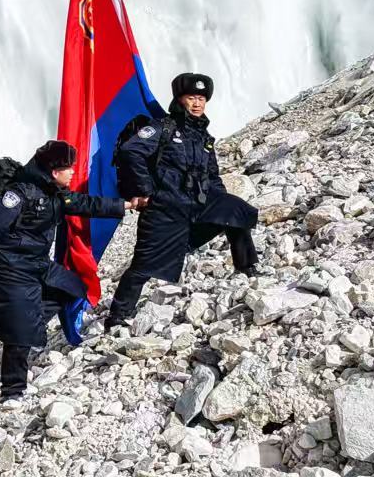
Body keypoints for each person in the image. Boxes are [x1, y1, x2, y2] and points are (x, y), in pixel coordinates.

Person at [0, 140, 142, 401]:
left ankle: (32, 324)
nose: (73, 173)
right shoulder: (18, 194)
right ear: (54, 171)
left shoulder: (53, 192)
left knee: (73, 287)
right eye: (68, 169)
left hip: (36, 263)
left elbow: (85, 204)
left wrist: (126, 205)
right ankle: (12, 393)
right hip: (9, 270)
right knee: (18, 332)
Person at [104, 72, 262, 331]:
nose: (198, 103)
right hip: (164, 208)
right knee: (143, 266)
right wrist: (147, 190)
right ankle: (117, 317)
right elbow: (130, 151)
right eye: (192, 97)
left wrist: (219, 199)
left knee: (236, 210)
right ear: (180, 99)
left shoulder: (203, 137)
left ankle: (247, 268)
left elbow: (212, 174)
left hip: (197, 204)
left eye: (202, 98)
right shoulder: (161, 127)